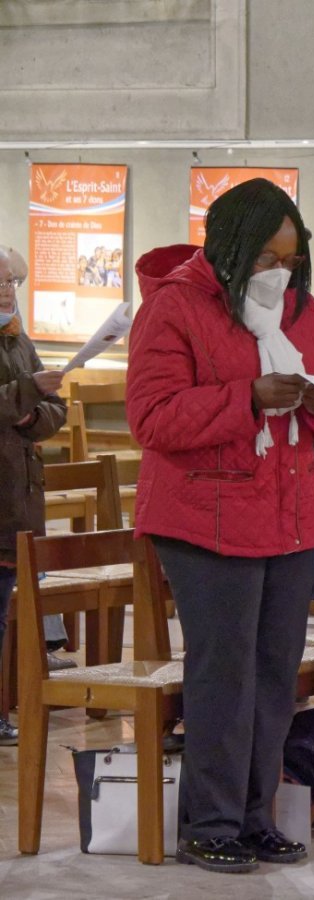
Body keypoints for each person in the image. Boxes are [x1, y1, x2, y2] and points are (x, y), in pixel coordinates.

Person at [127, 179, 314, 874]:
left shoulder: (298, 309)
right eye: (263, 258)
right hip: (205, 518)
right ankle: (210, 823)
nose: (276, 273)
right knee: (225, 675)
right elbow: (154, 419)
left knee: (274, 674)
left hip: (288, 516)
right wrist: (248, 397)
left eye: (288, 259)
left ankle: (256, 817)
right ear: (228, 247)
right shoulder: (176, 306)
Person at [0, 246, 66, 747]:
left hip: (18, 494)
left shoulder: (18, 339)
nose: (8, 292)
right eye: (1, 282)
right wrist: (26, 395)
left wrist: (31, 413)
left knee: (4, 612)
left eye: (14, 283)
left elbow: (54, 406)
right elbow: (28, 390)